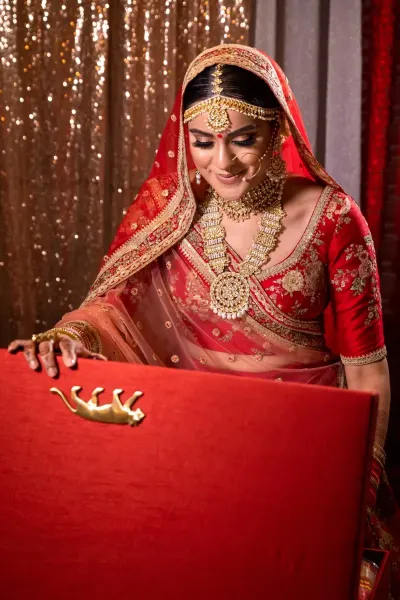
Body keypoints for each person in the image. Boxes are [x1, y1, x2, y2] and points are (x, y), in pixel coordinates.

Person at [7, 44, 397, 595]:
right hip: (195, 449)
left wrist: (357, 490)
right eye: (204, 142)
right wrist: (66, 337)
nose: (223, 162)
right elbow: (114, 308)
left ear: (278, 131)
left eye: (243, 139)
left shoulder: (334, 218)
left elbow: (368, 373)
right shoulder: (177, 215)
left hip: (302, 454)